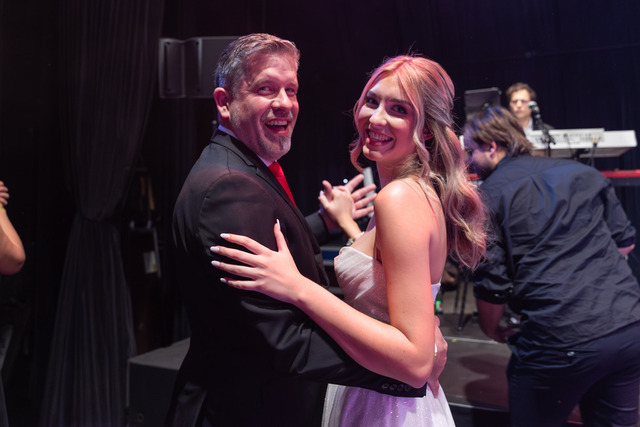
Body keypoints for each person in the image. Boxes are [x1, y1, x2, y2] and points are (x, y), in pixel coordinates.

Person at [167, 34, 449, 427]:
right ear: (224, 102)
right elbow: (282, 340)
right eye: (266, 89)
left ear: (426, 128)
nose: (284, 102)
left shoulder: (398, 198)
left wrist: (409, 359)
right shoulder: (229, 185)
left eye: (291, 90)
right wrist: (405, 368)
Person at [463, 106, 640, 426]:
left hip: (560, 339)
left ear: (491, 146)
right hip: (628, 327)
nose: (468, 161)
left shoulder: (487, 197)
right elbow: (625, 243)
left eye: (470, 151)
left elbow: (492, 283)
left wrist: (491, 328)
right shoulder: (582, 173)